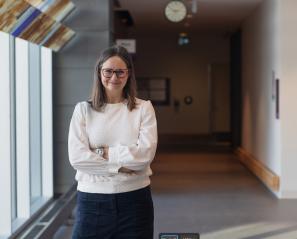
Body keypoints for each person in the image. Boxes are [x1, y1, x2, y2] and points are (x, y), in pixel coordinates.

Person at [68, 45, 158, 239]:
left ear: (128, 74)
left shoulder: (144, 109)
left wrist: (101, 152)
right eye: (108, 71)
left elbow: (144, 156)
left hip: (135, 201)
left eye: (120, 72)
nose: (114, 77)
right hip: (92, 202)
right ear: (99, 72)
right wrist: (120, 167)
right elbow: (78, 159)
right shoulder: (83, 110)